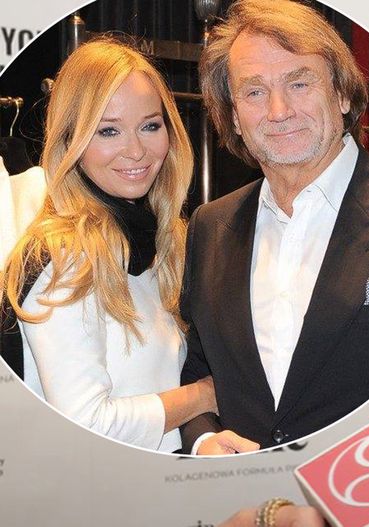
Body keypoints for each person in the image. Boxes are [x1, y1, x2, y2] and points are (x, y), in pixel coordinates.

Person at [180, 0, 369, 455]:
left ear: (343, 94)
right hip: (242, 492)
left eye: (299, 82)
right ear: (232, 116)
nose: (279, 110)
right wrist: (204, 440)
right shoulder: (210, 226)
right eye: (254, 92)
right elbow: (198, 366)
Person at [0, 39, 216, 453]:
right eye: (108, 130)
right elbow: (86, 423)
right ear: (72, 141)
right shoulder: (63, 259)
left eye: (150, 126)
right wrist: (204, 395)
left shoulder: (164, 242)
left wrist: (203, 437)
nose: (136, 150)